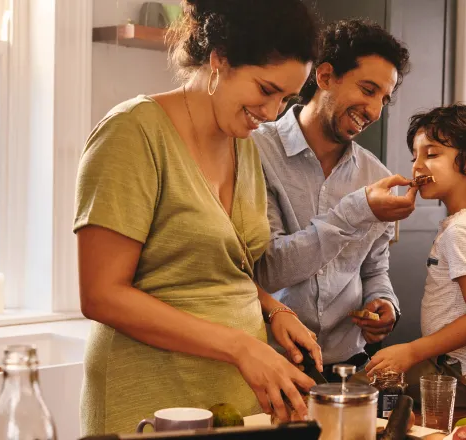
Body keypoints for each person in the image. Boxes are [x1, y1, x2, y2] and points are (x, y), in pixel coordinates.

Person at [73, 0, 322, 434]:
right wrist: (240, 347)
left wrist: (273, 310)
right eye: (266, 90)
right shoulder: (132, 133)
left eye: (287, 99)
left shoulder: (242, 142)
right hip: (148, 397)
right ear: (219, 60)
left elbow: (214, 267)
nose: (272, 114)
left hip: (235, 399)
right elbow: (101, 295)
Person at [252, 19, 414, 379]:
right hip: (271, 366)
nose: (374, 111)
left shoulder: (376, 175)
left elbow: (374, 269)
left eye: (383, 99)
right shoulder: (254, 151)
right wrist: (356, 211)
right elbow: (268, 270)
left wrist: (385, 304)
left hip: (348, 368)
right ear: (325, 77)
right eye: (368, 90)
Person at [366, 102, 466, 406]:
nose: (417, 166)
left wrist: (411, 351)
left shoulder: (461, 230)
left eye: (432, 154)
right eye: (415, 156)